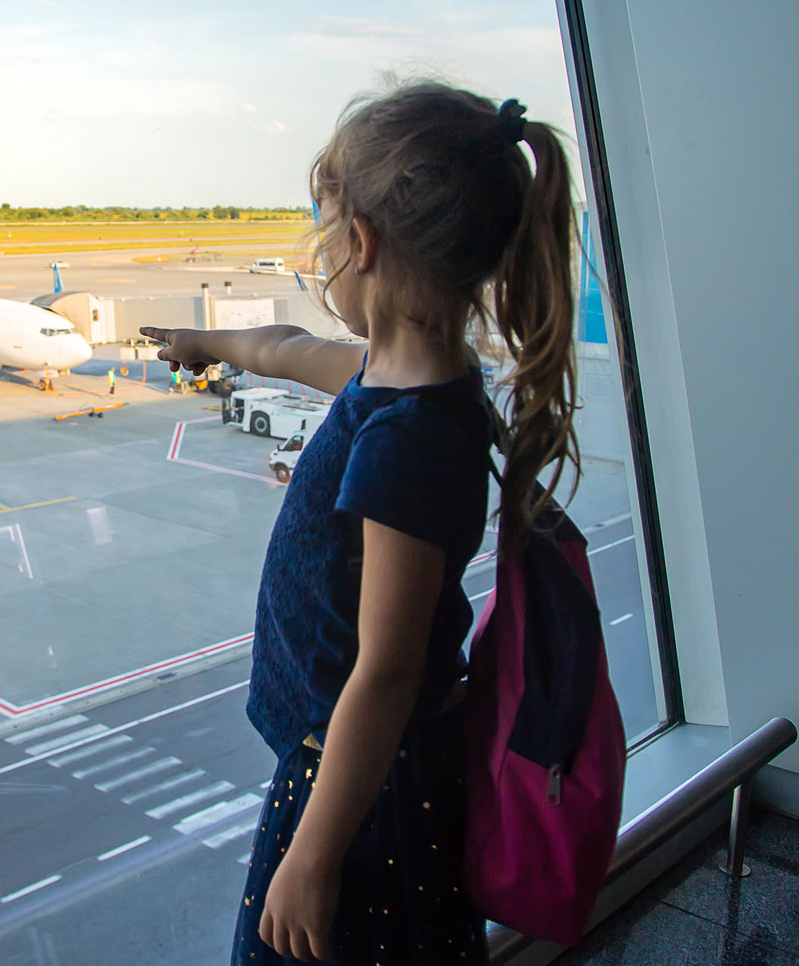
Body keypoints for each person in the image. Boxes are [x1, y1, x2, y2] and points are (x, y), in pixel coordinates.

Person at [143, 82, 578, 966]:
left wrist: (310, 856)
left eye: (326, 237)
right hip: (366, 769)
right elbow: (293, 350)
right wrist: (208, 342)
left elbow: (385, 671)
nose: (322, 260)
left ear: (364, 244)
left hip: (365, 789)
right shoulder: (409, 375)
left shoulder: (409, 441)